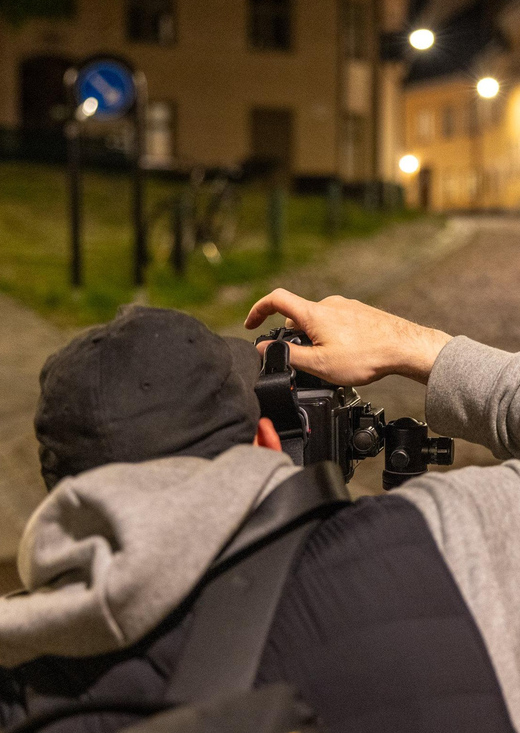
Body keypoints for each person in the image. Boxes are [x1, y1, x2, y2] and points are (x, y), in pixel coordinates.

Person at [0, 293, 518, 733]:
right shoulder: (447, 545)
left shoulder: (18, 683)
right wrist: (415, 346)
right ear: (270, 441)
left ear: (64, 503)